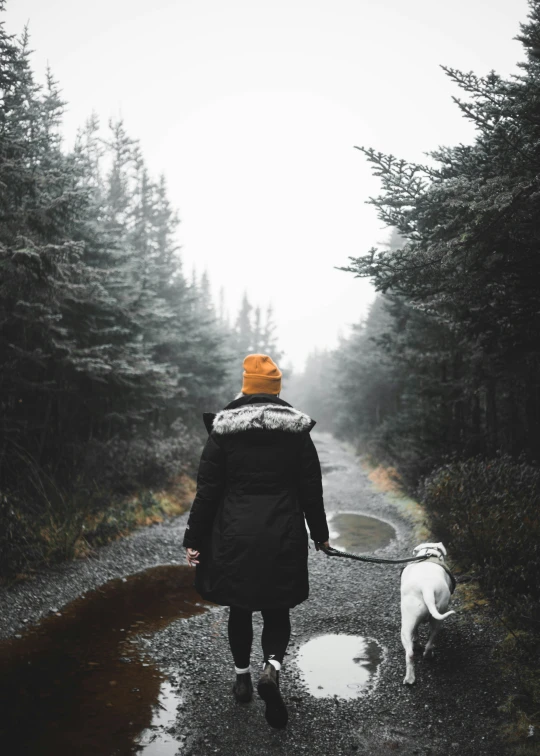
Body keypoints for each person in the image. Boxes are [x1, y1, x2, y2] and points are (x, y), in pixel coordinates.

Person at [183, 353, 329, 729]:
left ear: (246, 387)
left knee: (240, 607)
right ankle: (272, 668)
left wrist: (194, 539)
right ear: (276, 391)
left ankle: (243, 679)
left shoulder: (223, 432)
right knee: (277, 609)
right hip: (283, 533)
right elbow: (311, 489)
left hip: (234, 536)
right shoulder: (296, 433)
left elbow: (208, 492)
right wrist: (321, 536)